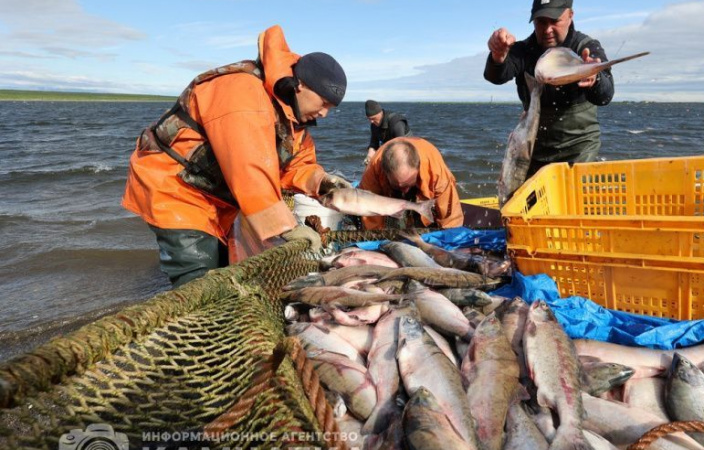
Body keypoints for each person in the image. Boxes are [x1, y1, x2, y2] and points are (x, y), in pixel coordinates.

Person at [122, 24, 351, 287]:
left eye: (331, 109)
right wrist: (287, 228)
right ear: (300, 85)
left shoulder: (292, 113)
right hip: (174, 189)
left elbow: (296, 164)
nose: (324, 114)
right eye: (323, 104)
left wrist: (322, 181)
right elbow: (249, 170)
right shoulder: (243, 93)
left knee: (224, 267)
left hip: (217, 198)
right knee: (198, 277)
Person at [484, 0, 614, 175]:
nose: (547, 30)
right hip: (532, 149)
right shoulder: (522, 50)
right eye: (541, 22)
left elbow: (605, 96)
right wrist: (498, 56)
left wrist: (594, 77)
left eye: (554, 21)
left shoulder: (587, 48)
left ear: (570, 15)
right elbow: (497, 76)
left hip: (578, 150)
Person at [359, 137, 463, 230]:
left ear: (418, 168)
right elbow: (371, 217)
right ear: (385, 172)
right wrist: (377, 238)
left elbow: (450, 217)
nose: (404, 191)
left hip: (425, 181)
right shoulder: (372, 172)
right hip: (387, 190)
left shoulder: (436, 172)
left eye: (407, 184)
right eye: (397, 185)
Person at [364, 100, 411, 165]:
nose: (371, 122)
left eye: (373, 118)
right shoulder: (374, 124)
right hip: (390, 149)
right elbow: (374, 144)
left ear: (380, 113)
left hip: (407, 150)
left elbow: (401, 146)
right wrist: (369, 156)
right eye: (369, 119)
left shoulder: (396, 122)